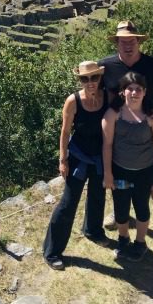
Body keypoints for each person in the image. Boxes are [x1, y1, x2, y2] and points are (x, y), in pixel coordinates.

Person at [99, 20, 153, 246]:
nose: (128, 45)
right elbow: (93, 89)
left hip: (148, 128)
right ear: (117, 44)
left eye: (132, 41)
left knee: (151, 179)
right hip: (120, 128)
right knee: (121, 172)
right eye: (123, 41)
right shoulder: (106, 67)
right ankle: (121, 213)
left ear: (139, 42)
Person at [43, 61, 109, 270]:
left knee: (98, 195)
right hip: (79, 158)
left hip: (99, 156)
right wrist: (63, 160)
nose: (90, 82)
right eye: (84, 79)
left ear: (100, 78)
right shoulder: (73, 101)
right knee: (68, 203)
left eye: (94, 78)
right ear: (79, 80)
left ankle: (93, 230)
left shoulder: (108, 97)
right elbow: (64, 131)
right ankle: (52, 251)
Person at [102, 71, 153, 261]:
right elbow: (107, 146)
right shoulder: (112, 114)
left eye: (138, 89)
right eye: (130, 88)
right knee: (121, 208)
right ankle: (123, 238)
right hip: (120, 171)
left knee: (141, 207)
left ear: (144, 92)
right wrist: (107, 173)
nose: (134, 92)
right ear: (123, 92)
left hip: (145, 173)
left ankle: (140, 243)